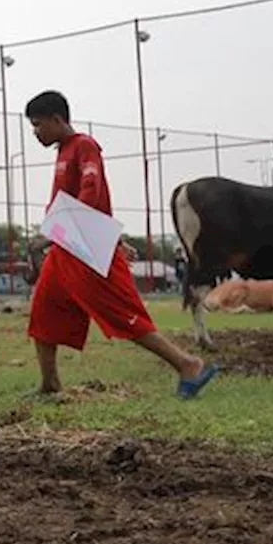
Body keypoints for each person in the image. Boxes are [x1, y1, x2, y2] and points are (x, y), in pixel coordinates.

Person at [24, 89, 221, 398]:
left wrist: (74, 232)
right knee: (44, 312)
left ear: (57, 119)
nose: (35, 133)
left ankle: (187, 364)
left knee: (123, 315)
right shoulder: (63, 151)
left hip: (84, 250)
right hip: (67, 247)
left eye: (38, 125)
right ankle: (50, 384)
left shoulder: (84, 147)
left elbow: (92, 190)